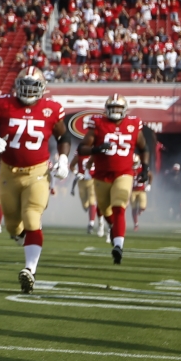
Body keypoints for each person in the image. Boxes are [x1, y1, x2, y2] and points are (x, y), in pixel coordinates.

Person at [0, 67, 70, 292]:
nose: (28, 92)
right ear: (17, 86)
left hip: (37, 171)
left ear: (42, 89)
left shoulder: (52, 108)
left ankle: (30, 269)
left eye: (33, 87)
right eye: (24, 86)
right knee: (12, 223)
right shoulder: (2, 104)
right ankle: (22, 237)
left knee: (32, 216)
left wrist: (64, 158)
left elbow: (63, 135)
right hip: (8, 171)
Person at [78, 94, 147, 265]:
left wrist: (146, 168)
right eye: (112, 109)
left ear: (124, 110)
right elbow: (82, 148)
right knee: (106, 210)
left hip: (124, 173)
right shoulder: (98, 124)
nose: (115, 112)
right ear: (107, 110)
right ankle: (112, 228)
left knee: (119, 208)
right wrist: (97, 149)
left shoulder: (133, 124)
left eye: (118, 109)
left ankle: (118, 246)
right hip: (101, 175)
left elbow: (144, 148)